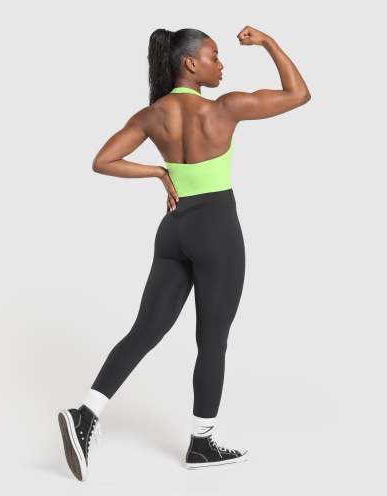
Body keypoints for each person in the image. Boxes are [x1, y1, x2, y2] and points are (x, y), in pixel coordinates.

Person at [58, 25, 311, 481]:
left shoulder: (152, 115)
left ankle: (86, 413)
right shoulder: (224, 108)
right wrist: (269, 43)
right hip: (217, 231)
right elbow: (299, 94)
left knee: (144, 330)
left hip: (173, 231)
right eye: (214, 56)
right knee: (212, 341)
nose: (221, 64)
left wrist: (160, 171)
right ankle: (201, 443)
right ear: (191, 64)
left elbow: (103, 161)